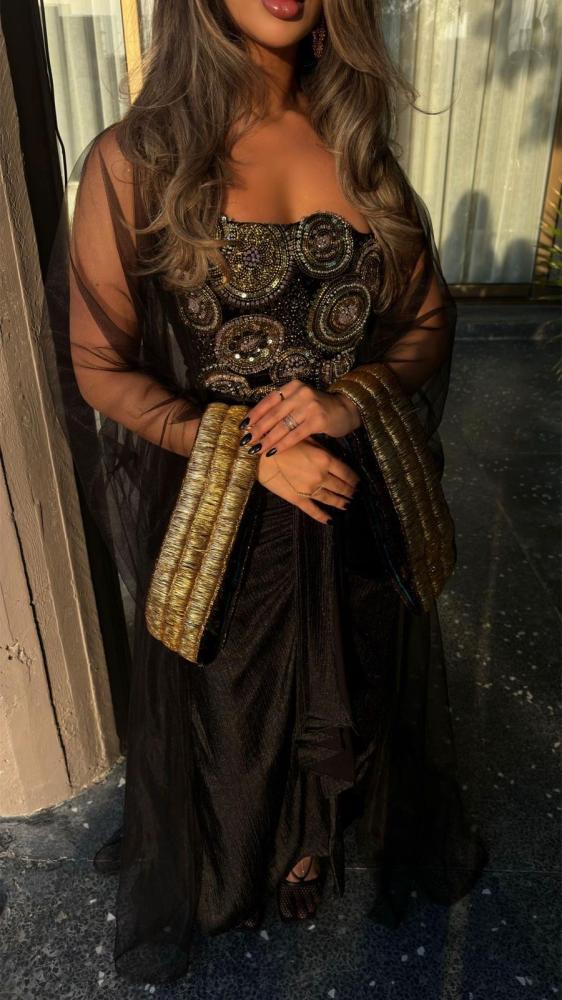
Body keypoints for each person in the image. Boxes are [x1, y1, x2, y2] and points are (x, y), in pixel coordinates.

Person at [40, 0, 489, 985]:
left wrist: (349, 399)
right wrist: (249, 448)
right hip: (223, 515)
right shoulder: (138, 159)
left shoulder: (358, 147)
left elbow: (426, 320)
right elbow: (99, 366)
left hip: (350, 497)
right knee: (234, 713)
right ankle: (241, 853)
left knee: (354, 687)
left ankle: (313, 839)